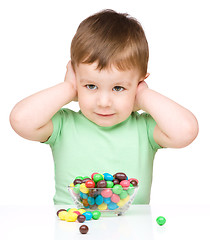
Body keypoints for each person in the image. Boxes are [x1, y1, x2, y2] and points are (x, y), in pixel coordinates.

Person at [9, 9, 199, 205]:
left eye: (118, 87)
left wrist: (143, 95)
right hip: (72, 229)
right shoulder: (64, 125)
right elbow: (20, 120)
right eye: (90, 86)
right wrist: (68, 88)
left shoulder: (144, 129)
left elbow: (186, 131)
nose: (103, 102)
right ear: (76, 78)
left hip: (132, 232)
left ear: (139, 83)